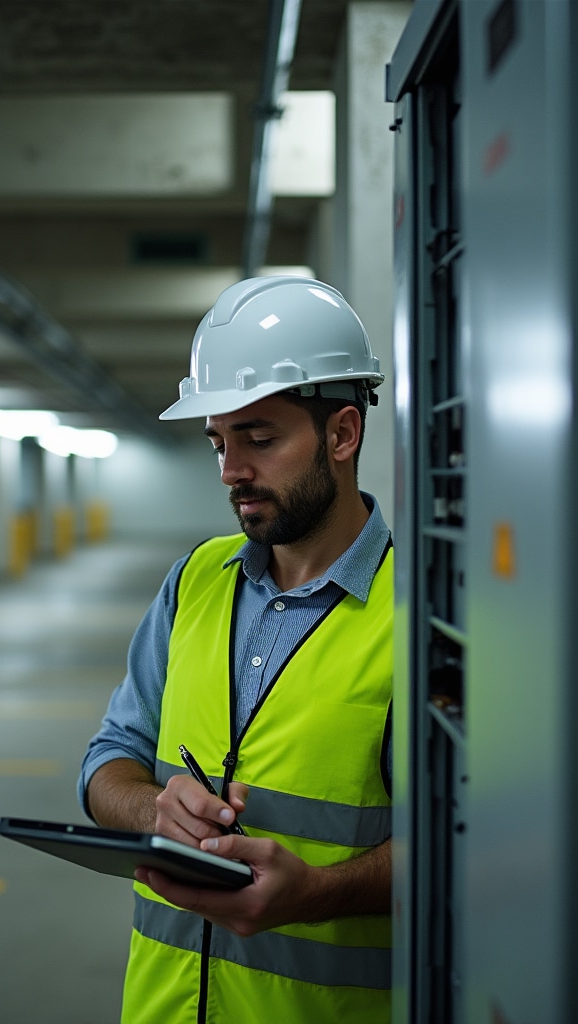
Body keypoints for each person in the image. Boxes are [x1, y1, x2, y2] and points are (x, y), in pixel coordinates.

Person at [78, 275, 393, 1023]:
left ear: (342, 435)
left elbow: (477, 844)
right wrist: (153, 809)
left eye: (259, 438)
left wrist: (317, 894)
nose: (230, 472)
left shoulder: (421, 613)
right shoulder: (195, 580)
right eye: (219, 441)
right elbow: (109, 757)